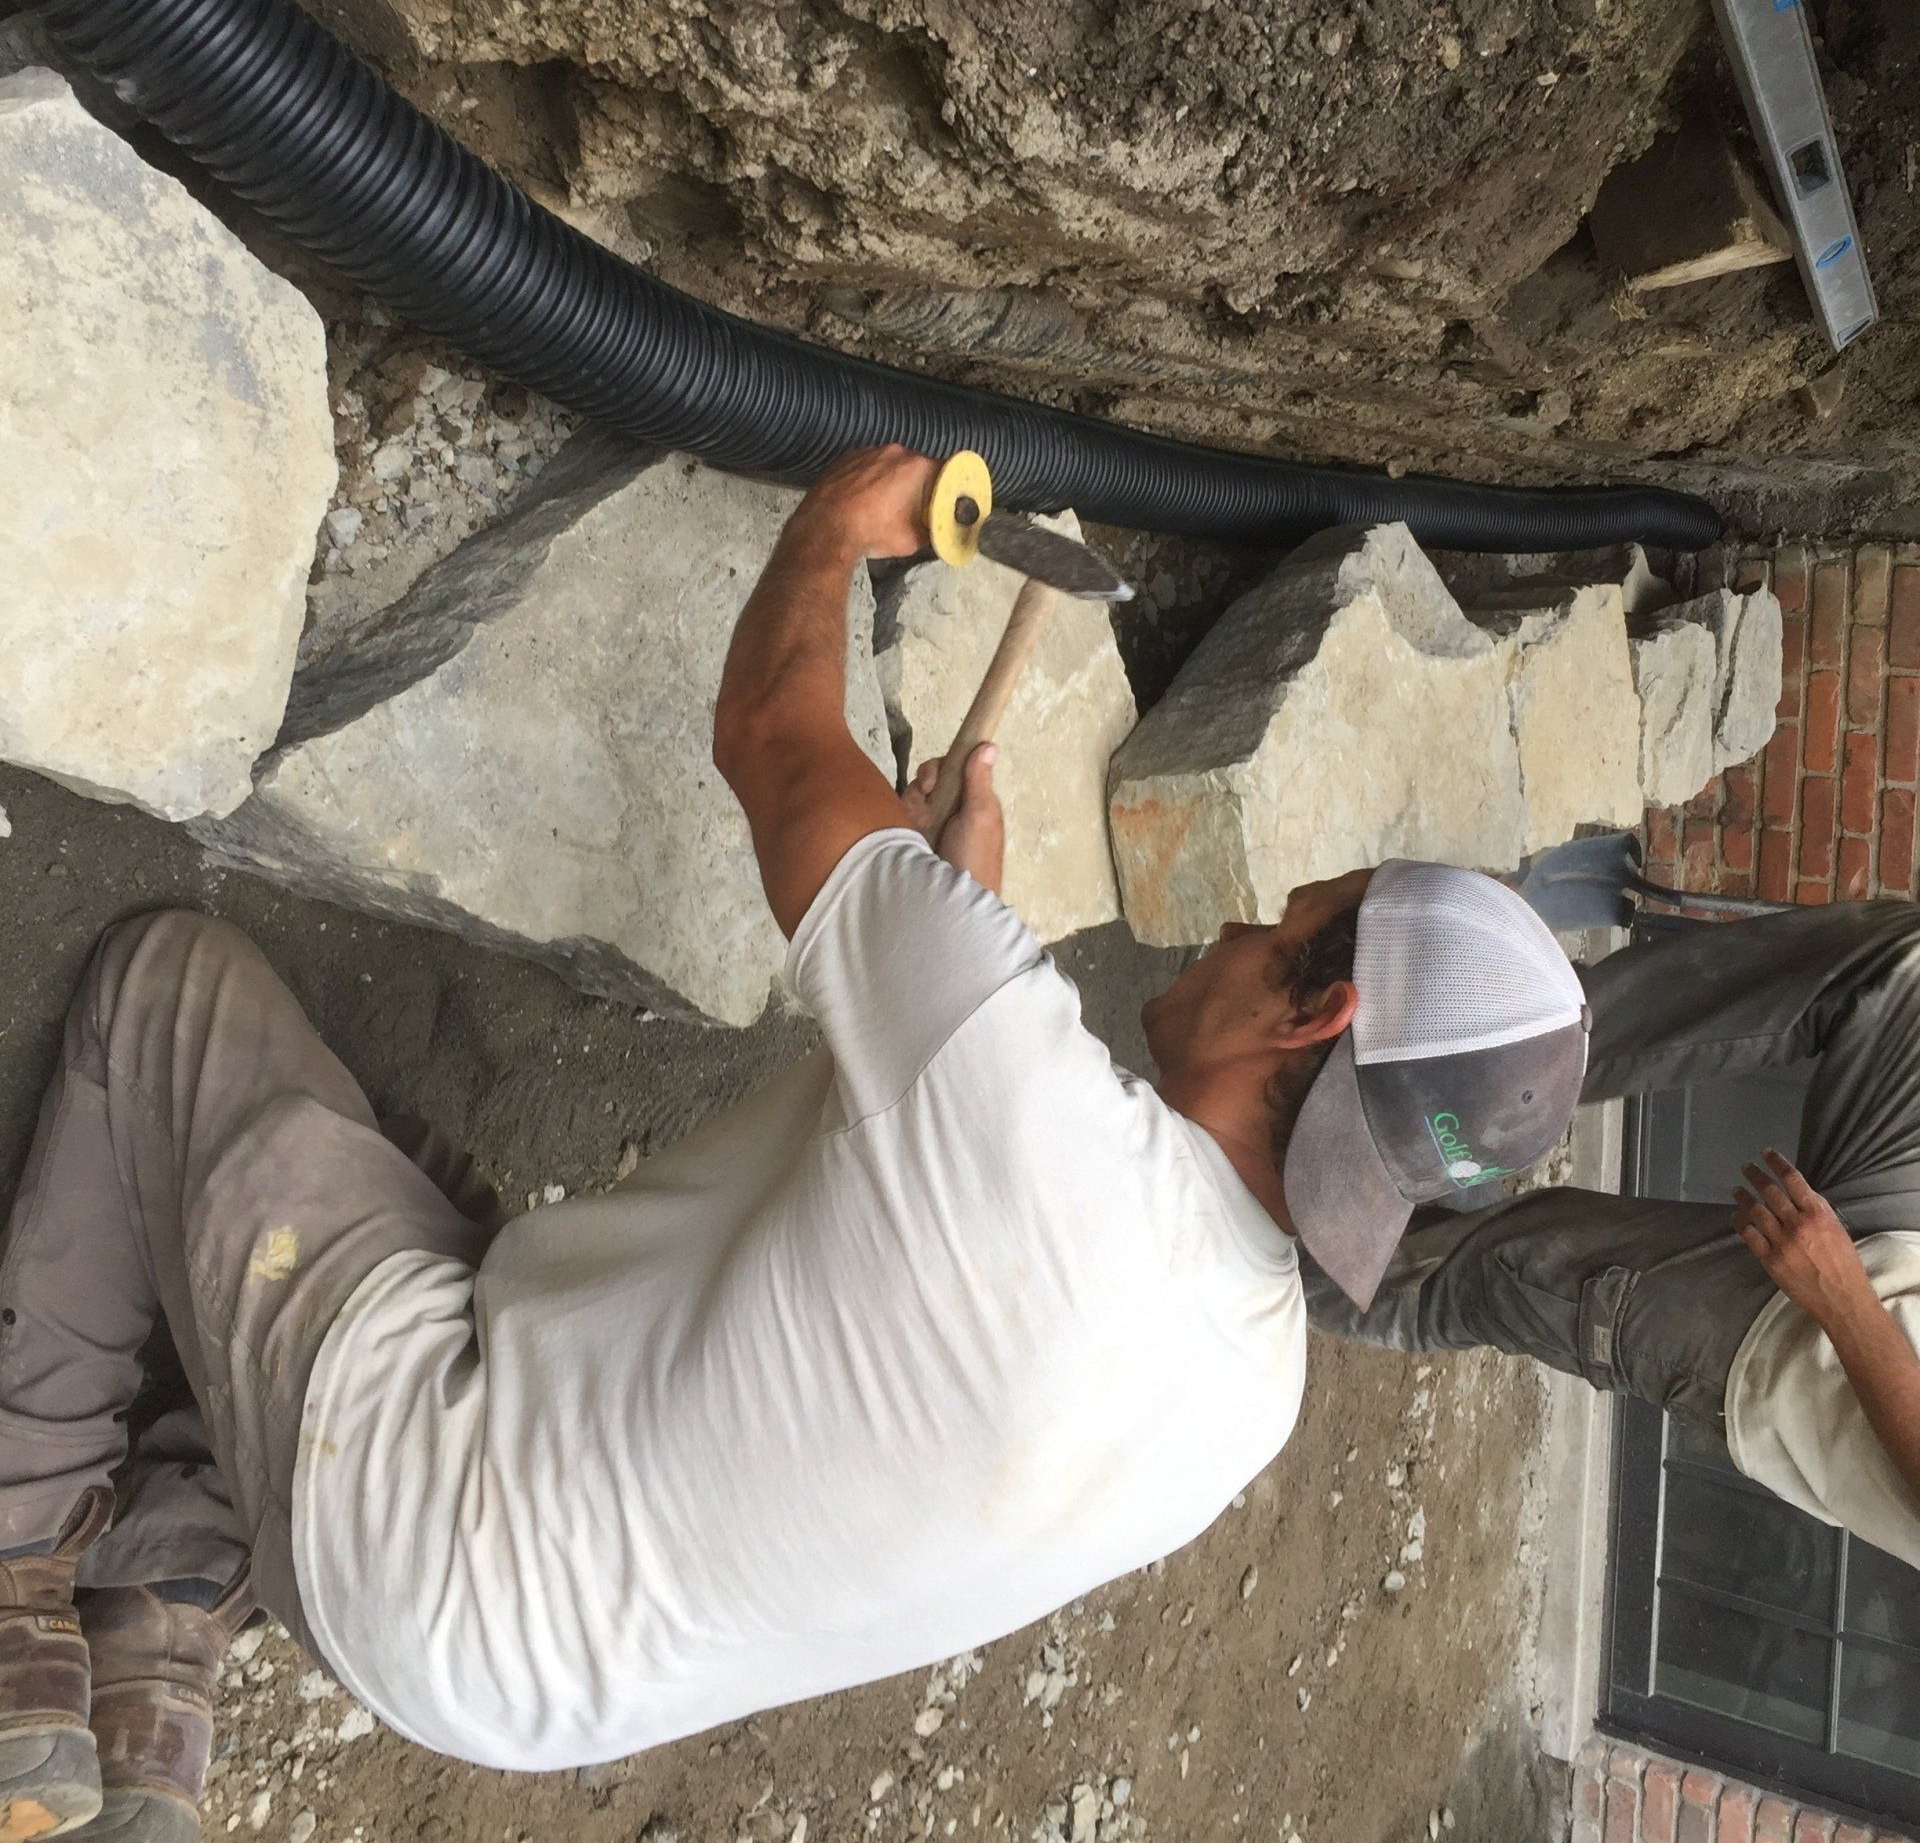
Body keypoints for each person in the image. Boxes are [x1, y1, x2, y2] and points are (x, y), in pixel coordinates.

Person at [0, 443, 1589, 1835]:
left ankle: (13, 1582)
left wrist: (835, 520)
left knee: (170, 992)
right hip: (523, 1694)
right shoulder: (1253, 1394)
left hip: (424, 1528)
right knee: (396, 1156)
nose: (1242, 918)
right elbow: (1003, 1183)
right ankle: (161, 1631)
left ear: (1313, 1020)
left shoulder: (1007, 1082)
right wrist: (951, 913)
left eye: (1284, 923)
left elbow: (770, 733)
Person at [1305, 902, 1920, 1568]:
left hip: (1810, 1363)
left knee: (1504, 1268)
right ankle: (1496, 1038)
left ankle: (1255, 1232)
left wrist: (1845, 1301)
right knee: (1903, 971)